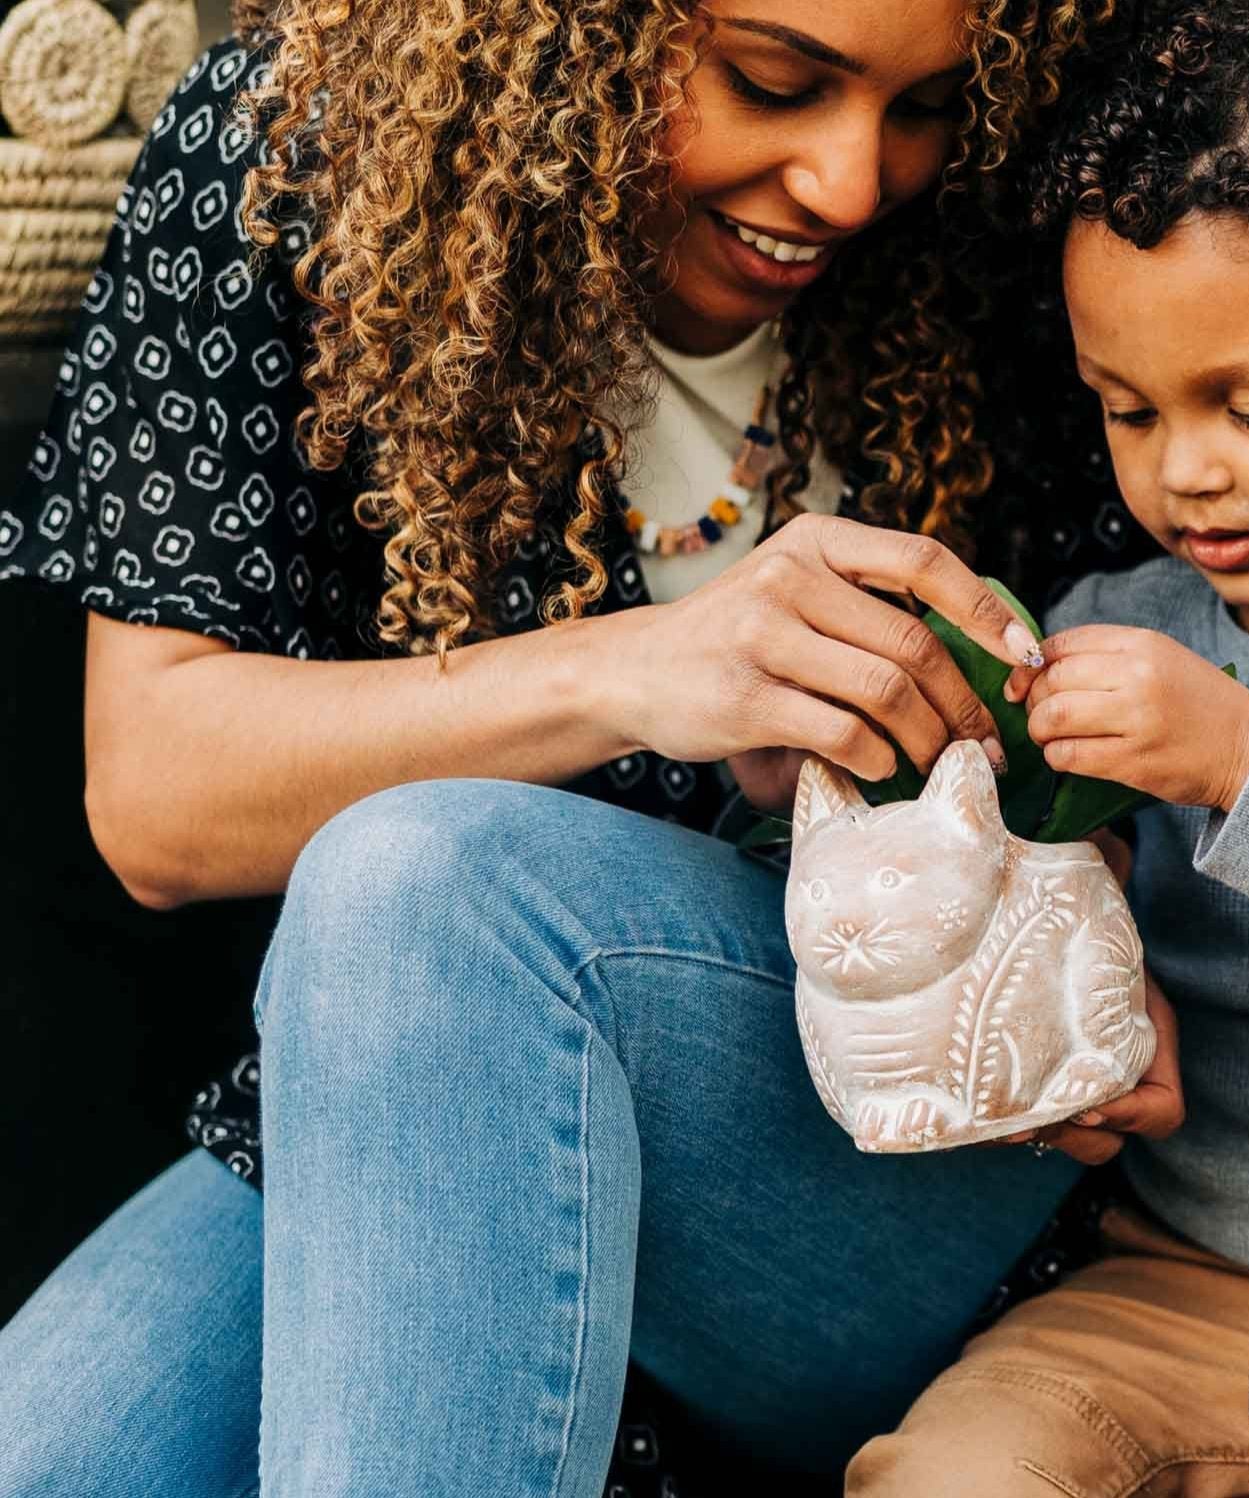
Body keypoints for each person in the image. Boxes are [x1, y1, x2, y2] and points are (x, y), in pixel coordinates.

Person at [0, 1, 1182, 1494]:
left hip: (882, 1142)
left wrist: (1076, 862)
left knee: (427, 878)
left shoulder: (1004, 221)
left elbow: (1194, 699)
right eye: (772, 81)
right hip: (411, 1106)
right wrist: (634, 672)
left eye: (927, 107)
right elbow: (157, 793)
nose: (847, 181)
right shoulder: (289, 159)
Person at [844, 0, 1249, 1493]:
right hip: (1178, 1283)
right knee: (953, 1470)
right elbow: (1017, 893)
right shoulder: (1111, 628)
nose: (1182, 468)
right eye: (1125, 410)